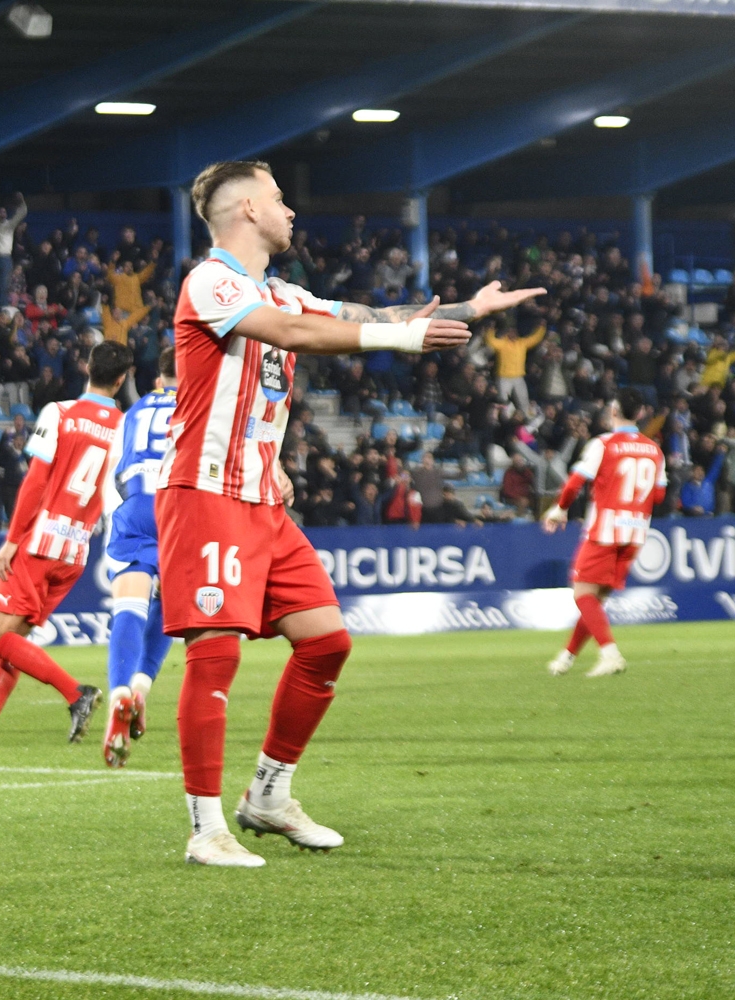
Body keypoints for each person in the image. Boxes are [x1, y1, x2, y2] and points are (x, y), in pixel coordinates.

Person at [156, 159, 541, 866]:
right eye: (278, 198)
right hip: (207, 492)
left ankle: (268, 797)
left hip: (265, 501)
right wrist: (401, 340)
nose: (290, 211)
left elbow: (370, 316)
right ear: (244, 211)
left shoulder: (280, 288)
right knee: (214, 654)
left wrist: (467, 311)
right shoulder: (211, 280)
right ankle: (204, 829)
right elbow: (293, 335)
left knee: (327, 641)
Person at [0, 340, 134, 748]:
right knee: (14, 642)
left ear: (86, 366)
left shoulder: (61, 412)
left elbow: (36, 481)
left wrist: (12, 541)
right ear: (121, 380)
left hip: (40, 542)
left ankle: (76, 693)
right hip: (77, 550)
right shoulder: (125, 426)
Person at [541, 390, 666, 679]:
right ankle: (566, 658)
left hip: (605, 530)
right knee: (595, 601)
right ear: (640, 414)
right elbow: (658, 495)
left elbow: (574, 483)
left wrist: (559, 510)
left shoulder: (603, 444)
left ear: (613, 412)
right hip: (636, 532)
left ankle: (610, 654)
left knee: (582, 593)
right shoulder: (654, 449)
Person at [98, 345, 178, 767]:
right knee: (171, 604)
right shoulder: (203, 402)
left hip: (133, 507)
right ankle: (142, 688)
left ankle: (121, 694)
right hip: (179, 508)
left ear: (159, 379)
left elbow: (114, 470)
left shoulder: (133, 411)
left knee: (130, 604)